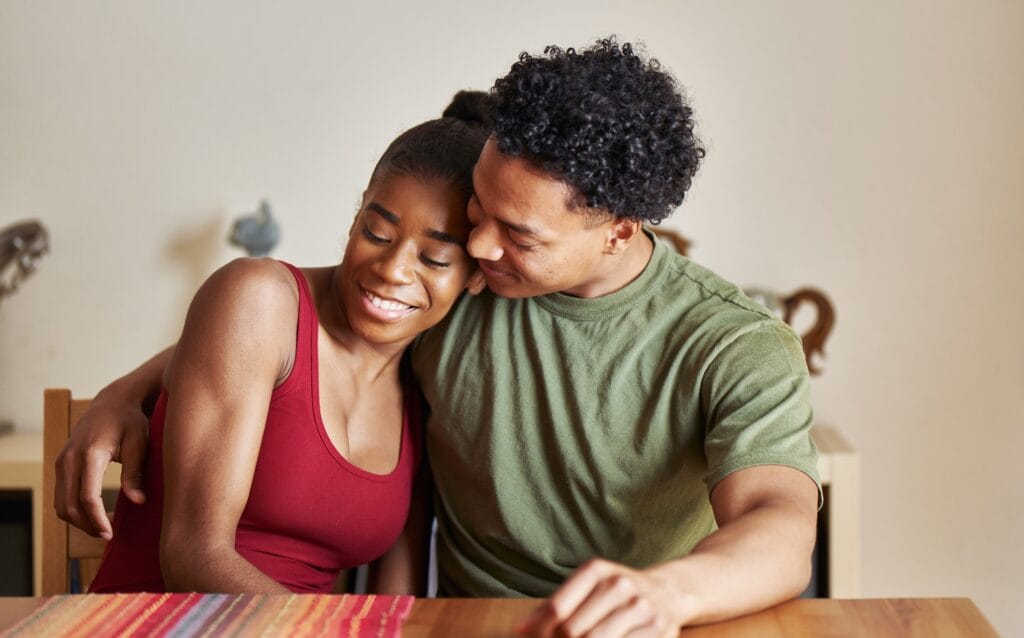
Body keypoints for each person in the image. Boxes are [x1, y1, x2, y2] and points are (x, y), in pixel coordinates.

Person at [58, 38, 821, 635]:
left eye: (513, 232)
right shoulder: (465, 286)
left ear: (619, 232)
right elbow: (298, 313)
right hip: (459, 624)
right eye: (476, 213)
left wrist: (662, 593)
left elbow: (779, 527)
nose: (480, 247)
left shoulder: (731, 345)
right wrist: (128, 390)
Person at [83, 93, 490, 594]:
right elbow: (192, 557)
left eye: (435, 259)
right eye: (377, 232)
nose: (392, 270)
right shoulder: (257, 298)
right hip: (165, 622)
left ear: (476, 276)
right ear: (357, 211)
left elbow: (396, 598)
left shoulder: (427, 382)